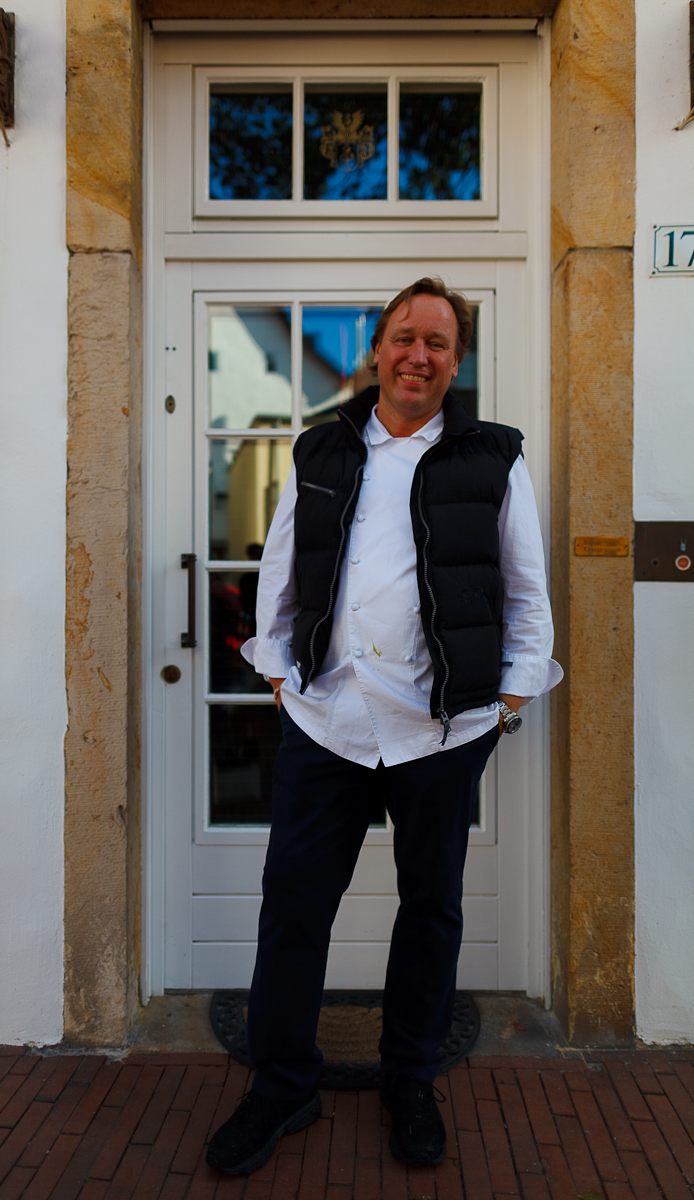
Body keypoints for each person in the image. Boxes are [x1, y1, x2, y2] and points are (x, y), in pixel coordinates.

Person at [206, 278, 562, 1176]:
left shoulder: (495, 457)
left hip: (441, 732)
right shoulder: (321, 448)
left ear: (457, 360)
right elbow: (277, 579)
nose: (419, 355)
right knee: (293, 907)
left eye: (439, 343)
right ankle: (281, 1089)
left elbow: (526, 592)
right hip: (327, 719)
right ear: (378, 348)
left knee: (431, 911)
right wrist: (282, 675)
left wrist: (509, 700)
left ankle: (412, 1080)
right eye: (406, 337)